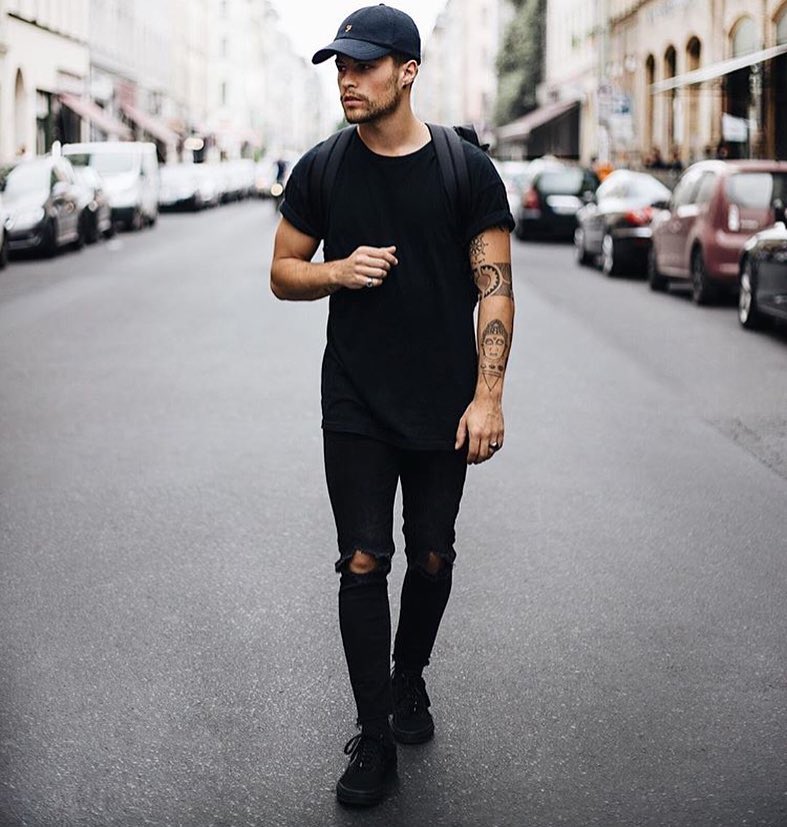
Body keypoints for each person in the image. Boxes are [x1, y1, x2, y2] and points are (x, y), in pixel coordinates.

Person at [269, 4, 514, 808]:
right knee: (364, 558)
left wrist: (487, 395)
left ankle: (410, 678)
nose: (346, 78)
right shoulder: (323, 167)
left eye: (363, 64)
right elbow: (281, 270)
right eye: (338, 65)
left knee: (433, 554)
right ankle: (373, 731)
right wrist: (336, 271)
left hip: (444, 401)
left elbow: (496, 290)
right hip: (355, 400)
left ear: (406, 71)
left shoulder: (463, 169)